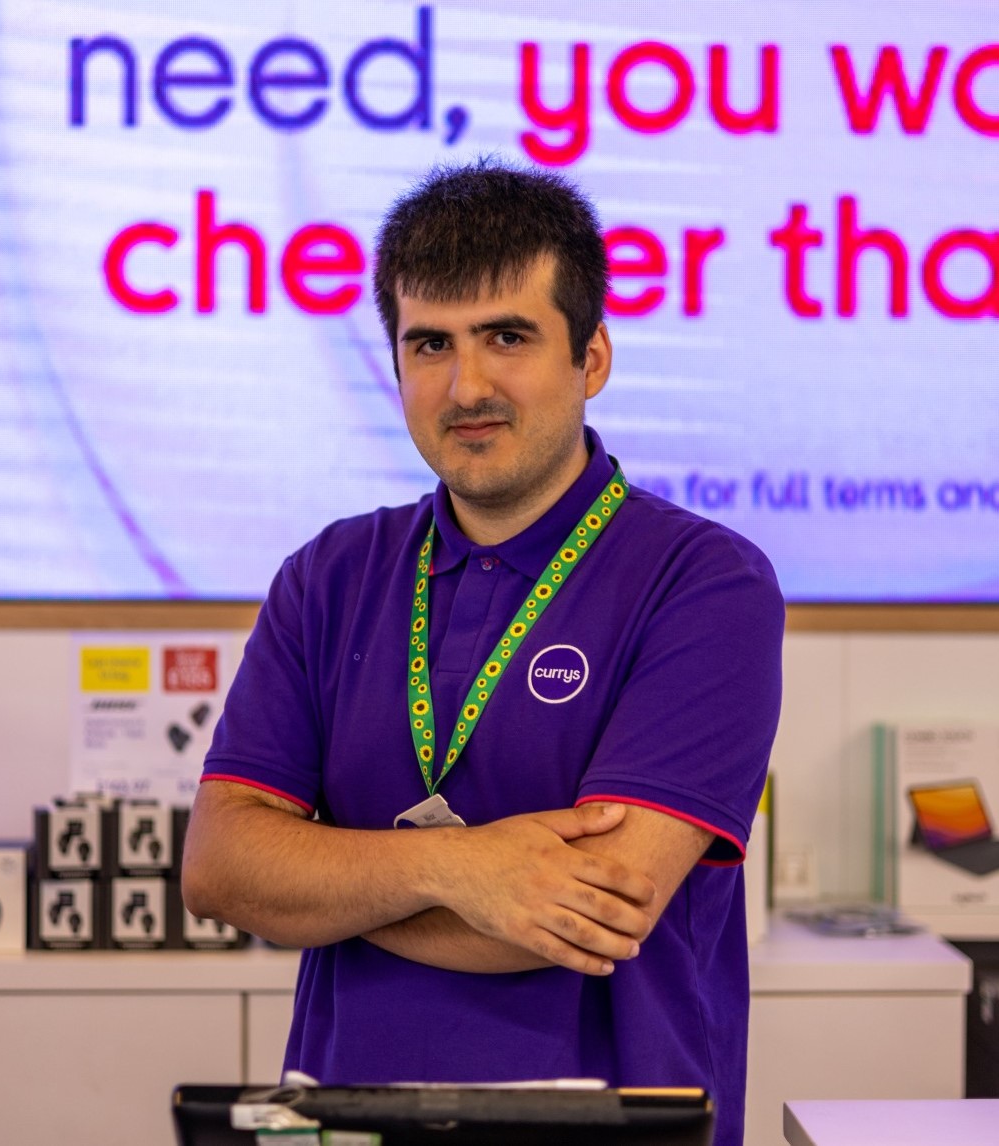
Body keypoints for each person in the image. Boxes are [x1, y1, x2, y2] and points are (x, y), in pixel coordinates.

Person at [182, 159, 783, 1146]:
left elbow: (598, 906)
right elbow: (220, 868)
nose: (466, 386)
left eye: (508, 337)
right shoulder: (328, 578)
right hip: (344, 1124)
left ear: (591, 358)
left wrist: (327, 887)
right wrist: (465, 868)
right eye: (431, 344)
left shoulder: (705, 583)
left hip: (615, 1127)